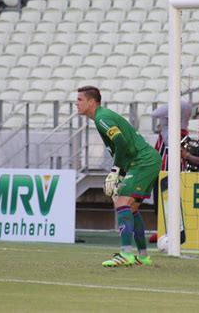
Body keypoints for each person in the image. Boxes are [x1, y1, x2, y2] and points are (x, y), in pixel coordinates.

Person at [76, 85, 162, 267]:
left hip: (142, 162)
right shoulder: (102, 117)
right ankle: (143, 256)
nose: (76, 103)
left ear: (91, 102)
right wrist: (121, 173)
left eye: (80, 100)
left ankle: (126, 254)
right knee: (131, 208)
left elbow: (121, 142)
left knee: (122, 202)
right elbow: (122, 145)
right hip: (142, 162)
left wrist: (115, 171)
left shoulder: (101, 118)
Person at [149, 100, 191, 243]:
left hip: (166, 171)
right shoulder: (182, 131)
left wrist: (166, 117)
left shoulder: (171, 132)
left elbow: (154, 113)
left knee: (165, 201)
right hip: (167, 169)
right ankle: (163, 229)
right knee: (164, 202)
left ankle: (167, 230)